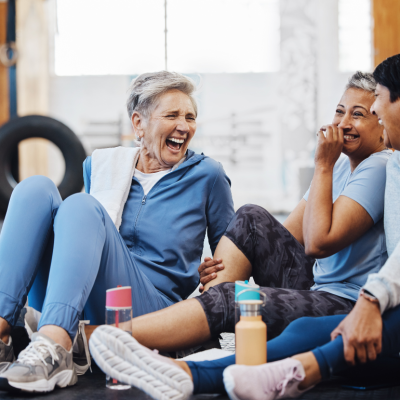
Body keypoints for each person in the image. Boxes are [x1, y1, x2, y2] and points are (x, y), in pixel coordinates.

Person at [88, 55, 400, 400]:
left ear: (381, 125)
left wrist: (322, 164)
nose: (343, 123)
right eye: (340, 111)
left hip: (343, 299)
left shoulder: (378, 166)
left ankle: (105, 335)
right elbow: (285, 237)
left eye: (359, 114)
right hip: (316, 286)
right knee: (250, 217)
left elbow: (317, 243)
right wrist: (225, 261)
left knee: (234, 298)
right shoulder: (342, 168)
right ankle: (199, 316)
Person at [0, 71, 235, 392]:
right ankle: (1, 333)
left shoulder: (208, 175)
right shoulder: (99, 166)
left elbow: (234, 257)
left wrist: (215, 273)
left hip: (152, 309)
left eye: (191, 117)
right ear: (138, 123)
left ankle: (56, 345)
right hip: (83, 296)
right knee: (34, 188)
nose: (185, 126)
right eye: (172, 115)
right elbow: (84, 242)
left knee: (81, 206)